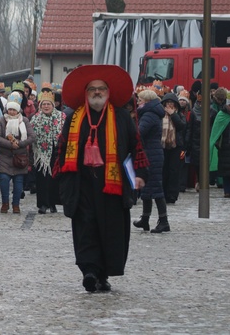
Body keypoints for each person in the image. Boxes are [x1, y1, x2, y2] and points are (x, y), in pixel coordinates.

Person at [55, 65, 148, 293]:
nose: (97, 93)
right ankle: (89, 270)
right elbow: (62, 148)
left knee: (110, 231)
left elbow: (137, 148)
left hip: (112, 187)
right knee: (85, 227)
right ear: (86, 93)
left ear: (108, 92)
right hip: (83, 183)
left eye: (101, 89)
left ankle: (103, 274)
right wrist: (58, 175)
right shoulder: (74, 118)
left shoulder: (123, 117)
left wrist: (140, 176)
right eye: (92, 89)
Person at [132, 88, 170, 234]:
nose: (138, 103)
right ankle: (145, 219)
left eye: (140, 100)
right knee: (147, 188)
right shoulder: (152, 113)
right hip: (152, 153)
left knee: (156, 188)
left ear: (146, 101)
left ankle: (163, 221)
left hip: (151, 154)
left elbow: (139, 133)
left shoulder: (148, 114)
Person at [0, 93, 34, 214]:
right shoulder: (1, 120)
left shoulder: (24, 121)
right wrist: (10, 144)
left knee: (18, 182)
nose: (11, 112)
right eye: (9, 109)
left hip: (20, 157)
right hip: (4, 156)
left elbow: (32, 136)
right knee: (4, 180)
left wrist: (20, 144)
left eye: (14, 110)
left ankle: (16, 204)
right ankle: (5, 202)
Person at [30, 90, 66, 214]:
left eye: (48, 104)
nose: (46, 106)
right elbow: (32, 135)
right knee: (42, 179)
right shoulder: (35, 119)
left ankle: (53, 203)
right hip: (41, 153)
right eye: (44, 104)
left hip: (57, 152)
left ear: (53, 105)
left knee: (55, 180)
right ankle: (43, 204)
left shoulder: (61, 117)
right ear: (40, 105)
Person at [160, 92, 186, 204]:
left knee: (174, 171)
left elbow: (181, 126)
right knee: (163, 170)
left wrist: (173, 114)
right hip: (162, 146)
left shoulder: (179, 114)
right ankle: (163, 194)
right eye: (168, 102)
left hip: (176, 146)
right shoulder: (160, 114)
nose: (170, 104)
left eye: (172, 102)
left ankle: (172, 195)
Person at [210, 88, 230, 198]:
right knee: (226, 171)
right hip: (225, 147)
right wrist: (217, 144)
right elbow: (216, 131)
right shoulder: (221, 115)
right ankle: (227, 191)